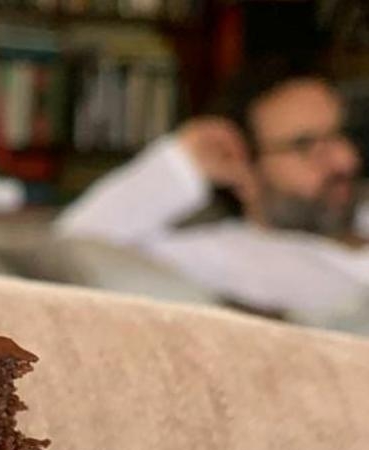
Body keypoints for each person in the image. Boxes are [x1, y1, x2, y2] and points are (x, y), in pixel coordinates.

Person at [56, 67, 369, 320]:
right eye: (305, 146)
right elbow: (74, 249)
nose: (345, 160)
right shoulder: (229, 255)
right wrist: (182, 161)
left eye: (341, 135)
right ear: (243, 169)